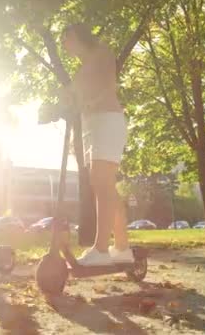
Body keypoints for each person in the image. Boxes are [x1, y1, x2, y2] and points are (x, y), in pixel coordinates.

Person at [60, 22, 132, 265]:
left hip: (107, 120)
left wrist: (90, 102)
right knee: (104, 185)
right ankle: (122, 248)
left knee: (102, 184)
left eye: (66, 39)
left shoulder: (102, 52)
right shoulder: (80, 71)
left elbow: (109, 86)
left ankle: (101, 250)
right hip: (91, 126)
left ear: (77, 36)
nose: (64, 45)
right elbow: (72, 96)